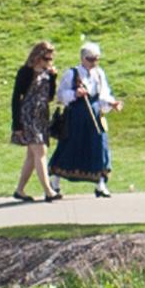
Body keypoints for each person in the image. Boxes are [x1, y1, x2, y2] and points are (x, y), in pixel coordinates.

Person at [51, 43, 118, 197]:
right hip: (77, 116)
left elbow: (103, 94)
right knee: (70, 146)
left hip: (97, 114)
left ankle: (100, 184)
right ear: (82, 58)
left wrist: (111, 103)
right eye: (90, 59)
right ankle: (55, 181)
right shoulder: (72, 73)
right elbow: (61, 95)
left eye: (96, 59)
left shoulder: (99, 73)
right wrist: (75, 94)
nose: (93, 63)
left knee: (100, 145)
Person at [8, 42, 58, 204]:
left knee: (32, 155)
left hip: (41, 115)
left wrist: (53, 78)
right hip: (27, 115)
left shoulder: (47, 73)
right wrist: (17, 124)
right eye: (46, 57)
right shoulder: (26, 72)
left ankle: (20, 189)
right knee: (40, 150)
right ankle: (49, 191)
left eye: (51, 58)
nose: (48, 61)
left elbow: (50, 97)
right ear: (37, 56)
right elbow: (16, 98)